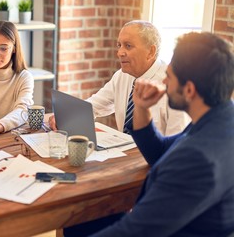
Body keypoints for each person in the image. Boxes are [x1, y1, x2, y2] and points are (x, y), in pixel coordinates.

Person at [73, 32, 234, 236]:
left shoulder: (196, 159)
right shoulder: (219, 119)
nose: (164, 81)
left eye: (169, 76)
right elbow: (159, 151)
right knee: (81, 222)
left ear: (190, 90)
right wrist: (141, 108)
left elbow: (135, 231)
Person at [49, 20, 189, 135]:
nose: (120, 52)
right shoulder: (122, 76)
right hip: (124, 155)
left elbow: (177, 144)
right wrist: (66, 116)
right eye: (119, 45)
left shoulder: (174, 85)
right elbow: (95, 105)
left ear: (150, 52)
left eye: (128, 46)